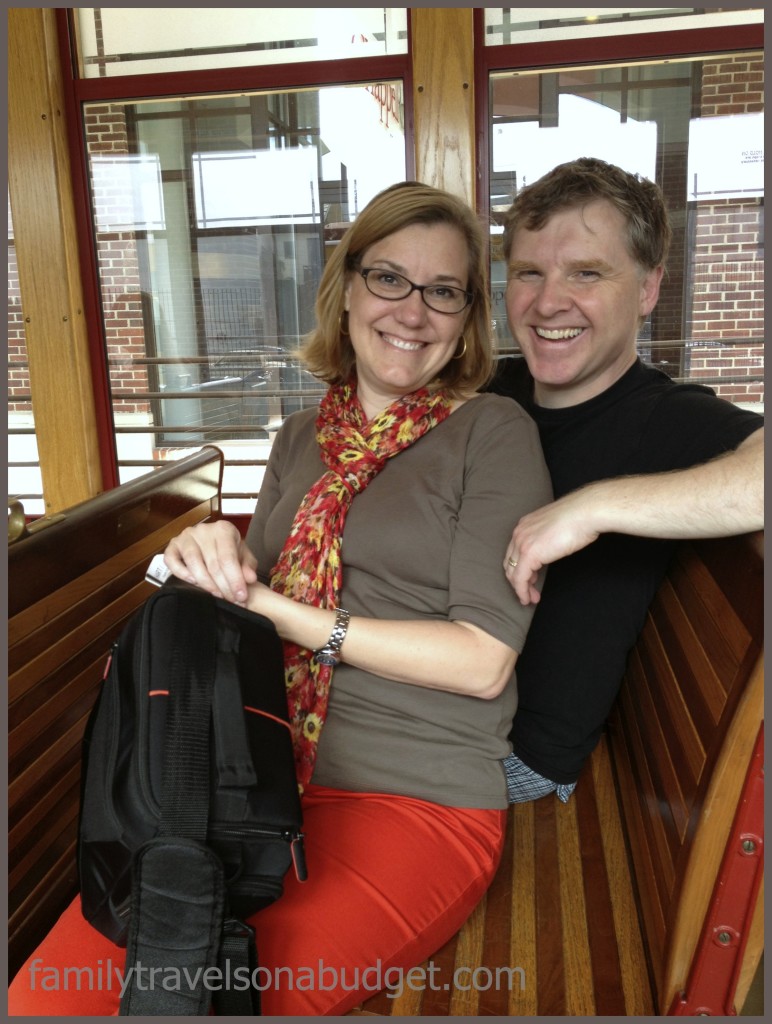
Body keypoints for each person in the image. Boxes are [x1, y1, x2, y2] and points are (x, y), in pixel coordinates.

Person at [9, 182, 552, 1016]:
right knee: (48, 998)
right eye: (389, 279)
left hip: (411, 795)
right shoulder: (301, 436)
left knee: (196, 1000)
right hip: (248, 776)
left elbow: (482, 663)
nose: (413, 311)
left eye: (444, 291)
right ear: (346, 290)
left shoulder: (494, 433)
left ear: (467, 316)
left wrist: (282, 613)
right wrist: (208, 549)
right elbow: (241, 602)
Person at [488, 157, 764, 803]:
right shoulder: (485, 389)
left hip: (510, 754)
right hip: (432, 709)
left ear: (647, 290)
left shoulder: (668, 419)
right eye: (529, 272)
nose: (548, 302)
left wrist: (592, 507)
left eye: (587, 273)